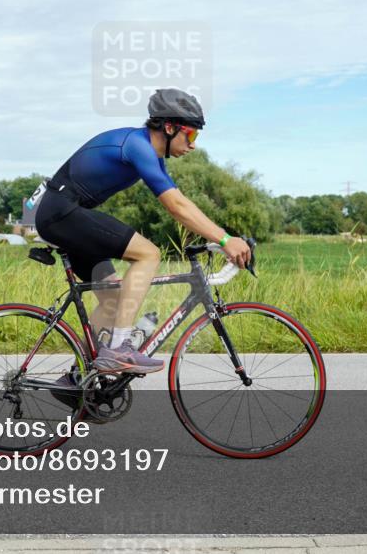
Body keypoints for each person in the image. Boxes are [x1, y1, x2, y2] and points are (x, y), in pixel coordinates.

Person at [35, 88, 252, 375]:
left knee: (113, 300)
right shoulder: (138, 146)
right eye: (191, 135)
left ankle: (78, 379)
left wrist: (220, 238)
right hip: (61, 213)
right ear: (170, 127)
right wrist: (224, 239)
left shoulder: (150, 155)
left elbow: (180, 201)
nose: (193, 145)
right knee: (148, 254)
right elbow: (176, 206)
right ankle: (118, 349)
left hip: (64, 215)